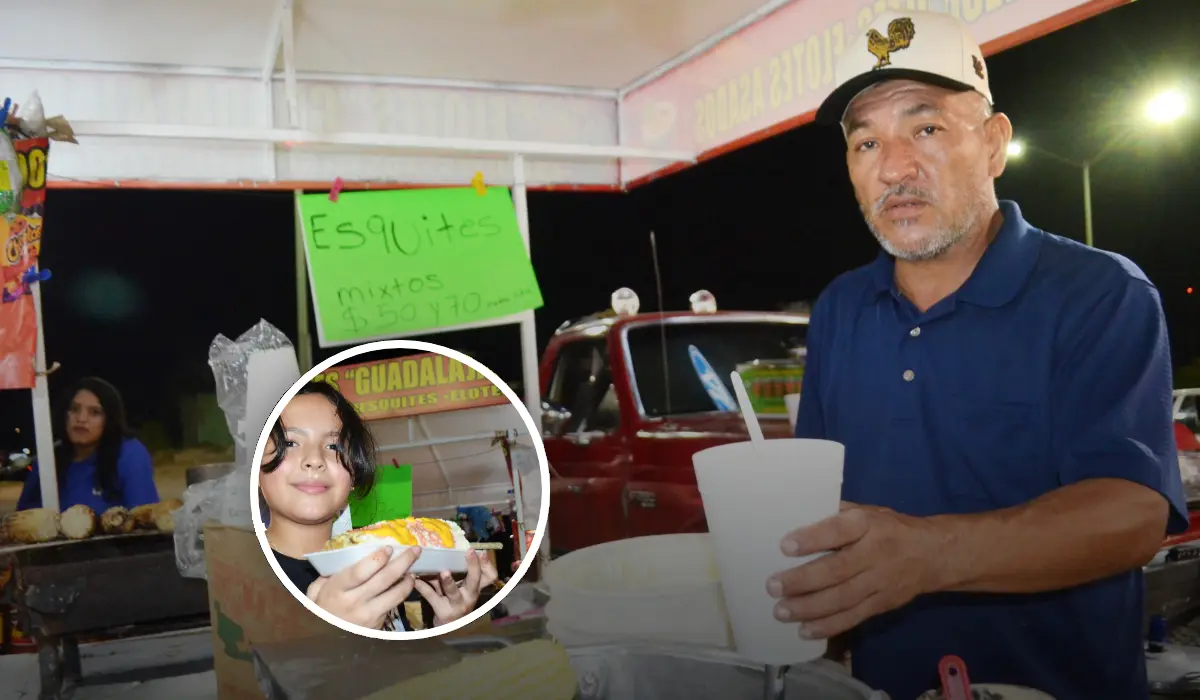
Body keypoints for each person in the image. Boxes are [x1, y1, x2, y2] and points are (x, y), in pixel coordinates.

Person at [771, 11, 1187, 700]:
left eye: (926, 128)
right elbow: (823, 499)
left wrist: (928, 555)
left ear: (994, 144)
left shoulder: (1099, 292)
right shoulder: (841, 308)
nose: (894, 168)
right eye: (866, 142)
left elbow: (1132, 514)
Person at [260, 380, 497, 631]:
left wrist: (447, 626)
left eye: (333, 446)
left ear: (354, 473)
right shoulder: (242, 577)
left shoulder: (378, 566)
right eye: (290, 443)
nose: (315, 460)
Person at [17, 376, 159, 512]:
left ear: (109, 419)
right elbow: (22, 519)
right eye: (74, 409)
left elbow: (145, 521)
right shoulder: (48, 459)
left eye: (95, 412)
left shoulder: (129, 454)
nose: (81, 419)